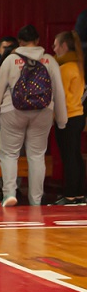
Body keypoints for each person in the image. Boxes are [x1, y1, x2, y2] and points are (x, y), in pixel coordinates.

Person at [0, 24, 68, 207]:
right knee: (37, 156)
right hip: (43, 111)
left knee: (9, 154)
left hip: (12, 111)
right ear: (38, 41)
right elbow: (59, 92)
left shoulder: (10, 60)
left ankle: (9, 194)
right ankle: (36, 200)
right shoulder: (49, 60)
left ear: (20, 42)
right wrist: (62, 121)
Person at [52, 31, 85, 206]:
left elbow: (60, 96)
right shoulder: (78, 65)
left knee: (69, 157)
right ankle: (79, 194)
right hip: (78, 115)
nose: (53, 48)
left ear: (64, 46)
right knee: (75, 156)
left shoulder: (64, 68)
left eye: (56, 44)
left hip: (67, 117)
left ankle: (70, 195)